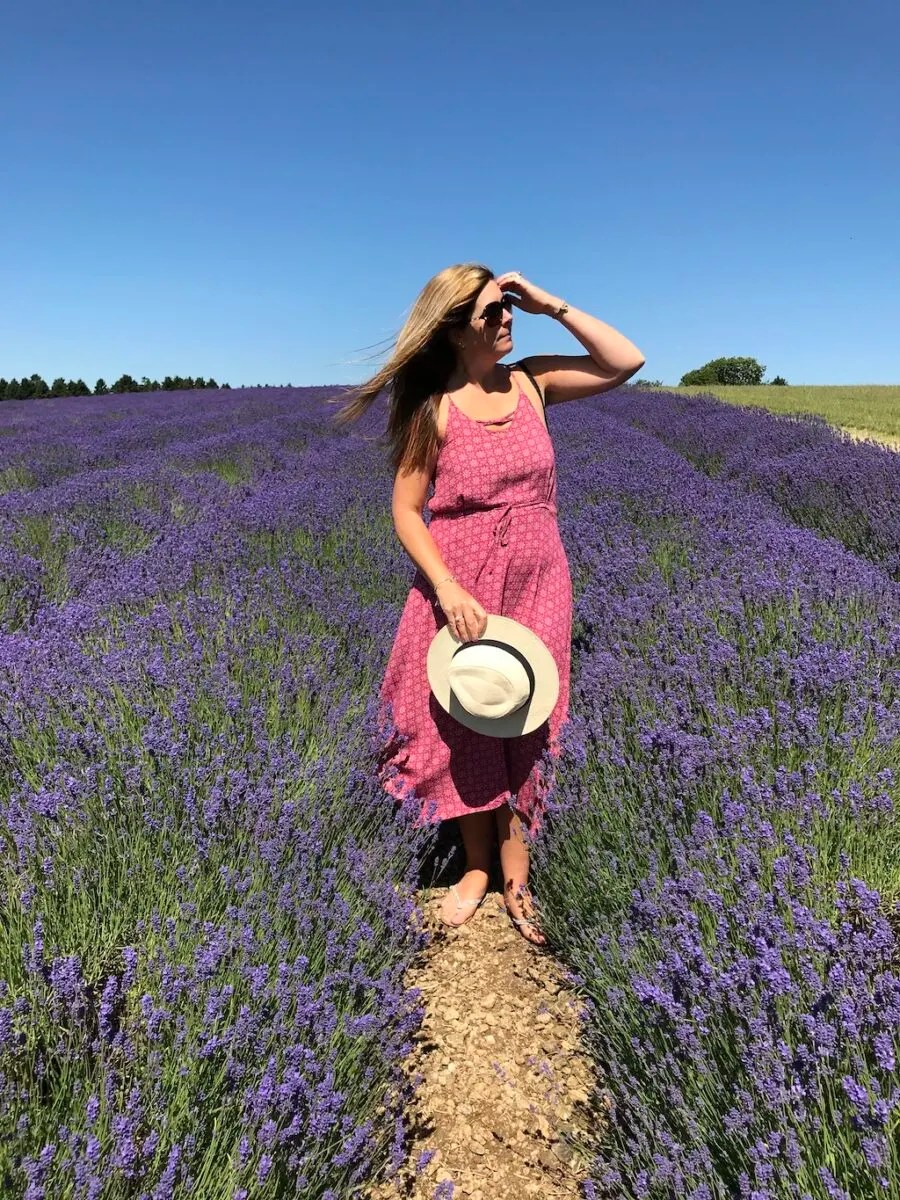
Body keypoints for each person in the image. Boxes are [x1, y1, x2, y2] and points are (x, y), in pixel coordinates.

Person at [334, 264, 644, 945]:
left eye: (508, 308)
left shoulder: (533, 384)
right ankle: (476, 866)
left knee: (528, 720)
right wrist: (445, 586)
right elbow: (407, 511)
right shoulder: (433, 410)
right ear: (452, 333)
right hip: (462, 585)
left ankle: (517, 872)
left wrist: (550, 302)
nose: (505, 319)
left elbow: (626, 360)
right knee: (468, 718)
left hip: (539, 580)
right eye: (490, 313)